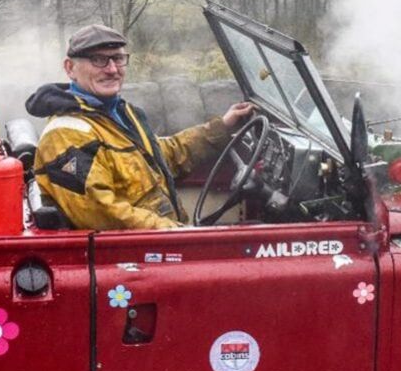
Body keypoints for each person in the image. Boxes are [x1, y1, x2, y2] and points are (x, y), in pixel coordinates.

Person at [26, 24, 254, 230]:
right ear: (70, 68)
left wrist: (222, 126)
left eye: (117, 58)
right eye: (98, 60)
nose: (112, 69)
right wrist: (173, 231)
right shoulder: (66, 135)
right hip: (129, 258)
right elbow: (102, 213)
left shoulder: (118, 113)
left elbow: (163, 155)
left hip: (160, 242)